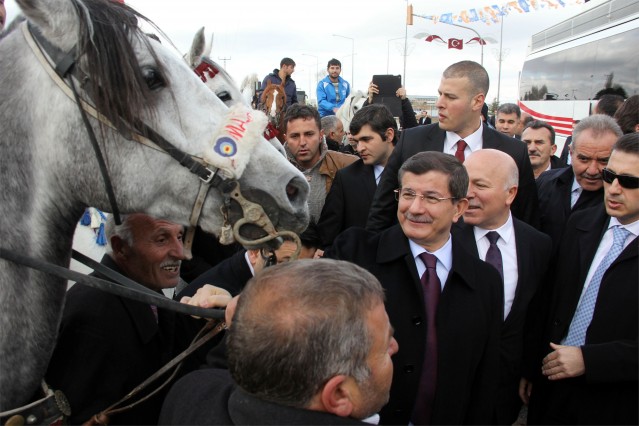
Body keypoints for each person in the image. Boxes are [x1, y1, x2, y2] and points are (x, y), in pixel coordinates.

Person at [326, 151, 503, 425]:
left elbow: (485, 375)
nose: (415, 208)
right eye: (408, 194)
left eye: (431, 198)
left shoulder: (485, 281)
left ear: (459, 208)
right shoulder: (355, 253)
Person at [159, 259, 399, 425]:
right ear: (338, 394)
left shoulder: (189, 395)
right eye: (384, 346)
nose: (395, 347)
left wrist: (249, 323)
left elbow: (215, 377)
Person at [45, 213, 230, 425]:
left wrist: (212, 319)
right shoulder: (92, 316)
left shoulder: (145, 290)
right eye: (161, 239)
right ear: (121, 247)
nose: (181, 253)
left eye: (179, 237)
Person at [526, 133, 638, 425]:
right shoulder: (582, 222)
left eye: (629, 181)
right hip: (551, 387)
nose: (613, 189)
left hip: (616, 401)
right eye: (610, 175)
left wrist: (591, 360)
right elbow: (551, 299)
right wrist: (530, 367)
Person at [367, 60, 539, 232]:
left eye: (450, 97)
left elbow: (526, 218)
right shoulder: (411, 142)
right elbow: (382, 210)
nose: (439, 103)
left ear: (477, 101)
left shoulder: (513, 151)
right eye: (440, 94)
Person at [453, 149, 552, 424]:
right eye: (465, 182)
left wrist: (530, 370)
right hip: (451, 386)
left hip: (505, 391)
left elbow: (536, 314)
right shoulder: (443, 239)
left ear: (510, 194)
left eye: (480, 185)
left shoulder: (538, 245)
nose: (468, 193)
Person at [536, 114, 622, 251]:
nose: (593, 170)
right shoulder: (546, 182)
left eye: (603, 161)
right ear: (571, 153)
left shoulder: (621, 202)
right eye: (584, 159)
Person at [318, 104, 397, 249]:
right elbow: (328, 237)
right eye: (357, 141)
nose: (359, 148)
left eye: (366, 140)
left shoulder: (416, 175)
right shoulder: (346, 179)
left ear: (389, 135)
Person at [283, 104, 357, 222]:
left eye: (309, 134)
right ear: (286, 138)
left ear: (321, 135)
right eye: (295, 136)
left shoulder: (348, 164)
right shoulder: (275, 171)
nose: (302, 142)